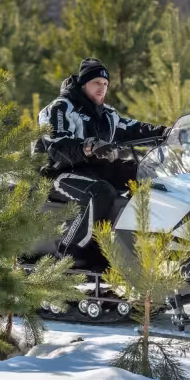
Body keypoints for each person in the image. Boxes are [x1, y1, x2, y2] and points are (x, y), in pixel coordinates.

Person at [34, 58, 167, 261]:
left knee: (143, 174)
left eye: (105, 84)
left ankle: (143, 246)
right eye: (96, 82)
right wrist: (89, 146)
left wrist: (166, 133)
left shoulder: (107, 114)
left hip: (93, 170)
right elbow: (58, 147)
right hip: (57, 172)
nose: (102, 87)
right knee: (101, 192)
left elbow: (134, 129)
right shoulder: (59, 109)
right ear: (83, 84)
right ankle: (68, 253)